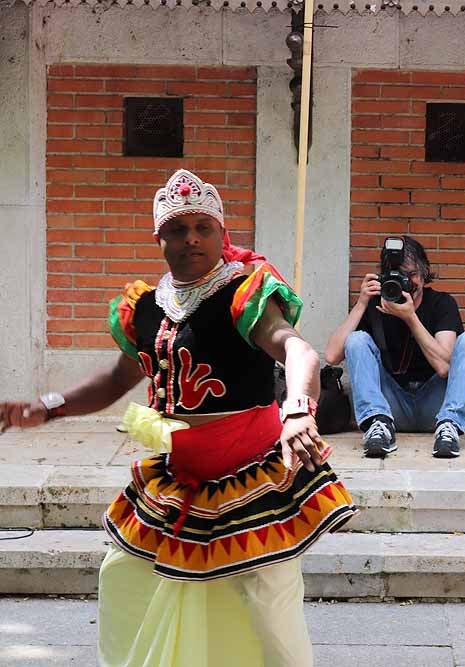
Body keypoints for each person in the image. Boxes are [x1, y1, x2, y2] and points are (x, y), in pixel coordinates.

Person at [0, 169, 357, 666]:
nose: (191, 238)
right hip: (178, 476)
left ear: (220, 233)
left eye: (202, 227)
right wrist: (47, 407)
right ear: (160, 239)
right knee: (122, 575)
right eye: (178, 229)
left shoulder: (243, 292)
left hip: (251, 474)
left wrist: (298, 411)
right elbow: (114, 382)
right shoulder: (144, 308)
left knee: (268, 601)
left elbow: (298, 351)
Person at [324, 236, 465, 459]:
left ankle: (449, 427)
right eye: (399, 276)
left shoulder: (441, 303)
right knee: (357, 339)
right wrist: (362, 303)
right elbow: (332, 355)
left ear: (424, 273)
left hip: (435, 407)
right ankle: (377, 424)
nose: (406, 283)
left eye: (411, 275)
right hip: (391, 408)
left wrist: (410, 318)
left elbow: (444, 367)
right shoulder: (374, 304)